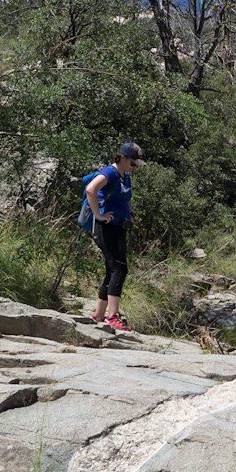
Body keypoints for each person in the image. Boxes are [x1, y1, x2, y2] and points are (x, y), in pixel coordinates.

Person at [86, 142, 145, 331]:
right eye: (133, 163)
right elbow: (90, 189)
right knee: (120, 269)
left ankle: (98, 315)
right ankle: (113, 317)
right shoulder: (110, 173)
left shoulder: (124, 176)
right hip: (106, 227)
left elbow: (126, 198)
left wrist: (130, 214)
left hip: (118, 226)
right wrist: (98, 215)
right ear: (122, 158)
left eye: (137, 164)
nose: (135, 167)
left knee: (112, 270)